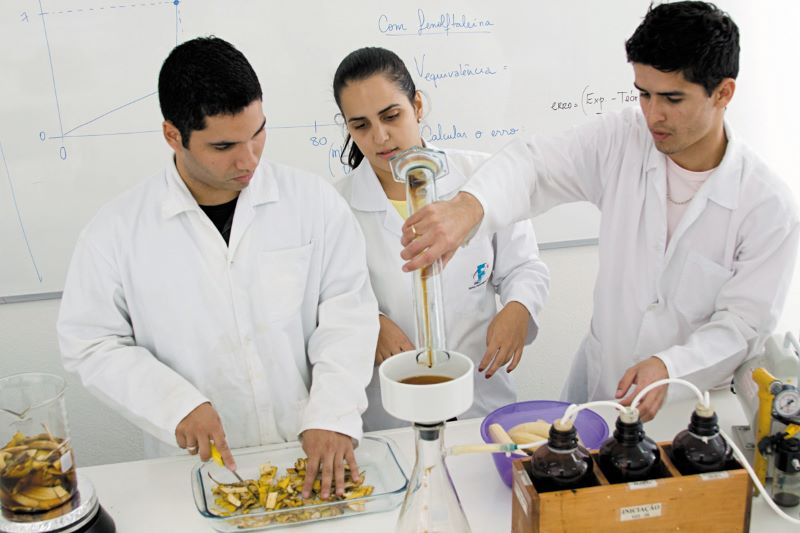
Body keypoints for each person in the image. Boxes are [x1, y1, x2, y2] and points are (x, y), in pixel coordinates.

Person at [397, 1, 800, 421]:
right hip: (600, 388)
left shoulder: (768, 207)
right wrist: (469, 207)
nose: (653, 114)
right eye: (644, 94)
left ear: (723, 93)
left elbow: (742, 326)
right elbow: (535, 165)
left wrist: (670, 367)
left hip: (689, 408)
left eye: (672, 98)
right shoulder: (622, 139)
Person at [57, 37, 378, 499]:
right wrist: (175, 405)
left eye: (258, 133)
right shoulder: (116, 231)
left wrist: (332, 412)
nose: (249, 160)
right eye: (224, 145)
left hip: (309, 457)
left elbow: (348, 313)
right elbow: (91, 342)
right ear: (173, 135)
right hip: (196, 474)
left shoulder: (313, 204)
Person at [332, 47, 550, 430]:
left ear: (417, 105)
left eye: (391, 116)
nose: (380, 137)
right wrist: (371, 322)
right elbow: (327, 298)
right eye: (361, 125)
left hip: (479, 397)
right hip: (390, 412)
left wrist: (519, 308)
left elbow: (525, 266)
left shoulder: (482, 177)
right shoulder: (335, 206)